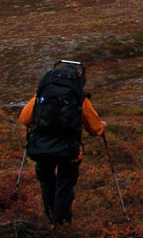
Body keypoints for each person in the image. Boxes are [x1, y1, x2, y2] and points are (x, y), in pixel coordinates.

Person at [19, 59, 105, 225]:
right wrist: (102, 128)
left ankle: (51, 217)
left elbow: (24, 118)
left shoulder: (41, 95)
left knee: (47, 182)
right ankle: (62, 225)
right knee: (65, 186)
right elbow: (96, 129)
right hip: (68, 150)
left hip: (41, 147)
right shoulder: (79, 97)